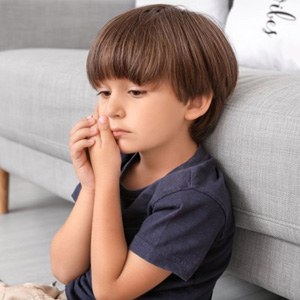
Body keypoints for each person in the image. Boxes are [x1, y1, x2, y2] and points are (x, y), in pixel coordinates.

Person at [50, 4, 238, 300]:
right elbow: (63, 269)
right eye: (104, 92)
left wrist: (108, 182)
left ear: (194, 103)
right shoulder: (120, 162)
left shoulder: (192, 198)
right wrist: (92, 185)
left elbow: (110, 293)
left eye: (136, 92)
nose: (111, 109)